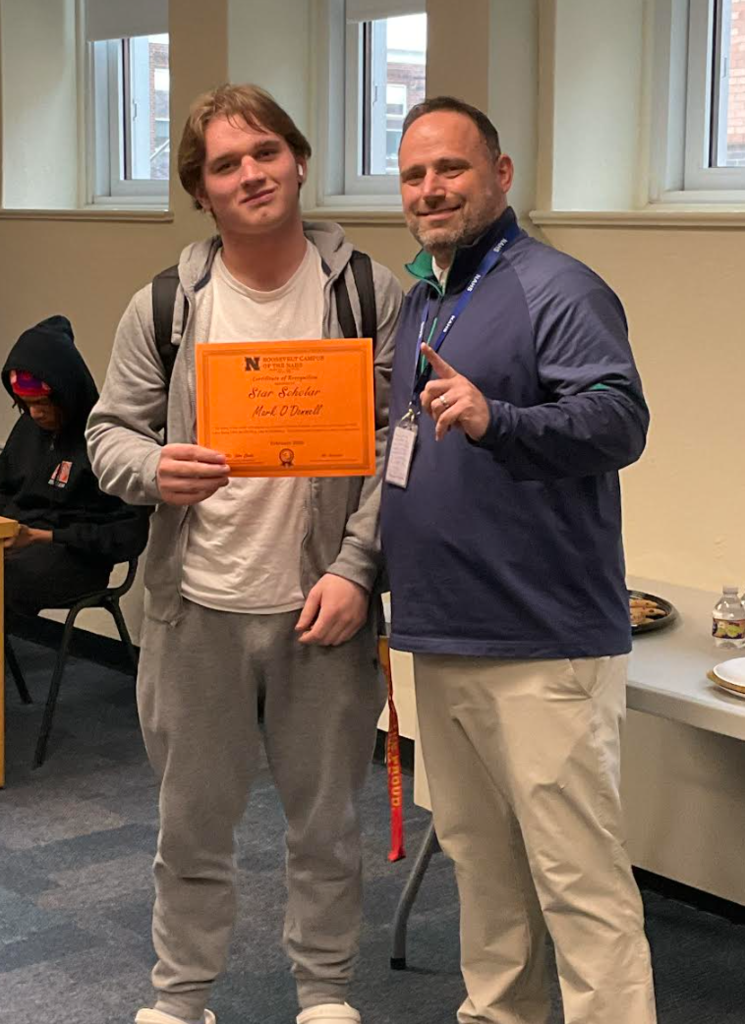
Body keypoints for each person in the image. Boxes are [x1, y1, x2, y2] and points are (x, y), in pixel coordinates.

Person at [86, 84, 402, 1024]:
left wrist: (356, 569)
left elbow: (400, 448)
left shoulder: (368, 294)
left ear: (297, 160)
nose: (251, 174)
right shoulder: (164, 306)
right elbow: (107, 433)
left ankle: (324, 994)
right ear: (201, 190)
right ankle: (180, 999)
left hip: (323, 611)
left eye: (265, 152)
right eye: (226, 164)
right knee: (190, 829)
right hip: (196, 610)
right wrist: (153, 467)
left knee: (327, 827)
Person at [381, 96, 657, 1024]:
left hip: (540, 639)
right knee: (479, 862)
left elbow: (618, 421)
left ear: (499, 175)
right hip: (440, 629)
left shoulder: (558, 287)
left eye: (450, 168)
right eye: (414, 174)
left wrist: (497, 417)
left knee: (578, 880)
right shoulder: (423, 299)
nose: (430, 189)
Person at [0, 315, 149, 616]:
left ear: (66, 393)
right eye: (25, 404)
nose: (35, 414)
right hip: (19, 544)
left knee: (6, 579)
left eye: (42, 403)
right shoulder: (28, 429)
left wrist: (43, 536)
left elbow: (128, 535)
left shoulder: (108, 440)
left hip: (77, 558)